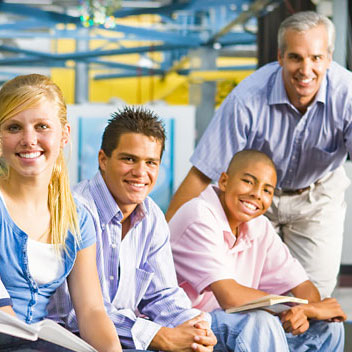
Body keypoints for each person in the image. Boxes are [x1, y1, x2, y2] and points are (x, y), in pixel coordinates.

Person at [165, 11, 352, 298]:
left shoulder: (348, 95)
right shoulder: (247, 98)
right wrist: (159, 245)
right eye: (295, 57)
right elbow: (202, 173)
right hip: (258, 198)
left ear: (329, 58)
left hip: (318, 194)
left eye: (315, 58)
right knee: (250, 295)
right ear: (280, 57)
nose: (306, 69)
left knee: (314, 297)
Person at [48, 106, 218, 351]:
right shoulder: (74, 209)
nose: (140, 173)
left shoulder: (152, 218)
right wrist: (157, 336)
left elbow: (163, 296)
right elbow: (74, 312)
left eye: (151, 162)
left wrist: (194, 329)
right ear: (103, 160)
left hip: (126, 339)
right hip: (67, 341)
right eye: (129, 159)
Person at [169, 149, 346, 352]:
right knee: (260, 322)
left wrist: (307, 310)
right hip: (189, 326)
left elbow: (304, 288)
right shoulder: (199, 214)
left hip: (233, 327)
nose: (256, 194)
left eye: (267, 190)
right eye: (248, 181)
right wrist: (299, 308)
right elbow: (230, 296)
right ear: (224, 181)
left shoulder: (259, 226)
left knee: (328, 328)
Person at [0, 74, 123, 352]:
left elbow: (91, 310)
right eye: (14, 127)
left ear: (64, 134)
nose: (29, 139)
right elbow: (4, 319)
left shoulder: (76, 217)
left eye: (42, 126)